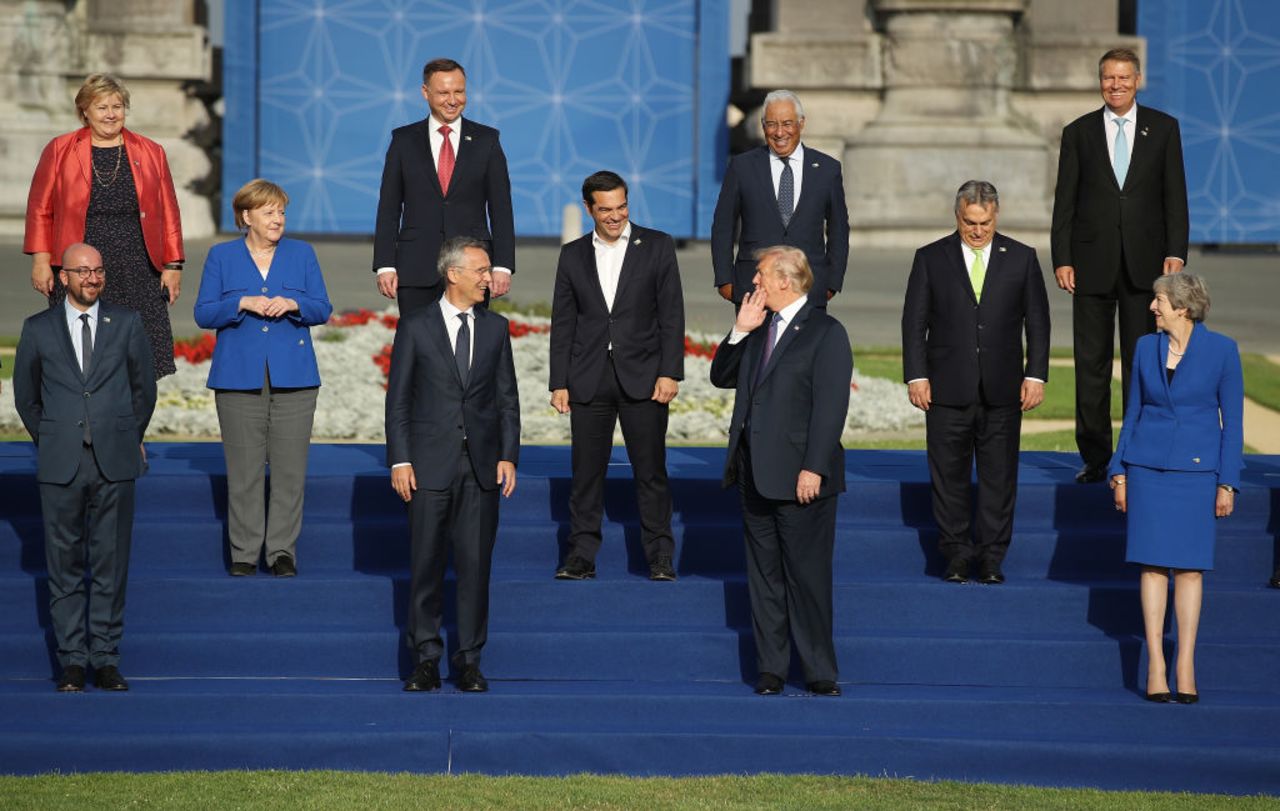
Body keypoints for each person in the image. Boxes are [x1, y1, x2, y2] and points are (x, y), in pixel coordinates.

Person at [12, 242, 157, 692]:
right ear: (63, 277)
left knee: (111, 565)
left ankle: (106, 659)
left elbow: (143, 391)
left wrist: (126, 435)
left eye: (98, 271)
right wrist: (55, 438)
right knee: (65, 566)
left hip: (115, 462)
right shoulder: (37, 329)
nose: (92, 278)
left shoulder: (128, 324)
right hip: (62, 465)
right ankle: (73, 660)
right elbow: (26, 397)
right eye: (83, 271)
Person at [709, 246, 851, 697]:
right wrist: (737, 330)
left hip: (800, 479)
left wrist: (813, 468)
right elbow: (721, 376)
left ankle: (817, 670)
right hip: (754, 473)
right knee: (764, 577)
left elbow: (831, 409)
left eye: (762, 277)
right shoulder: (757, 328)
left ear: (785, 281)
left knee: (806, 577)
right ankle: (771, 667)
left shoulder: (826, 332)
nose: (756, 285)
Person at [386, 236, 520, 693]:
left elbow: (507, 401)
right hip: (426, 466)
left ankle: (469, 660)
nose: (489, 278)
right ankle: (425, 658)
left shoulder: (497, 329)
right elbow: (398, 400)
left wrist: (508, 455)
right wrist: (400, 459)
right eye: (481, 270)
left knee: (474, 567)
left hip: (482, 469)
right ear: (454, 273)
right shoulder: (416, 326)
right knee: (425, 565)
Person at [1051, 48, 1189, 484]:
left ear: (1138, 80)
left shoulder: (1164, 129)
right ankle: (1095, 457)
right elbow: (1065, 202)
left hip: (1146, 267)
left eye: (1123, 78)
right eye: (1109, 78)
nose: (1116, 85)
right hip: (1091, 265)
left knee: (1142, 363)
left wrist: (1176, 252)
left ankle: (1138, 453)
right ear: (1100, 81)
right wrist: (1062, 257)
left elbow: (1175, 197)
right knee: (1090, 366)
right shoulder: (1078, 133)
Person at [902, 181, 1051, 585]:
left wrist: (1035, 375)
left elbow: (1038, 322)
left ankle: (991, 556)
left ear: (996, 216)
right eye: (970, 222)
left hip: (1003, 389)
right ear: (958, 216)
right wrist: (917, 375)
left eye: (985, 222)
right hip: (947, 389)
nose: (978, 230)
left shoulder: (1021, 258)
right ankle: (955, 553)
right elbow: (914, 323)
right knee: (948, 476)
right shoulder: (931, 258)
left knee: (999, 477)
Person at [1110, 272, 1242, 704]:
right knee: (1151, 566)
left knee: (1189, 569)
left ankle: (1185, 661)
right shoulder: (1146, 347)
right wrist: (1120, 470)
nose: (1152, 307)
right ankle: (1156, 663)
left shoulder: (1223, 351)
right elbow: (1132, 412)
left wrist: (1228, 483)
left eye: (1159, 301)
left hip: (1196, 473)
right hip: (1146, 469)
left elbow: (1232, 425)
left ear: (1182, 308)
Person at [548, 171, 685, 581]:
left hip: (644, 377)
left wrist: (669, 372)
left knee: (651, 471)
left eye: (621, 207)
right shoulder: (572, 255)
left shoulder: (657, 246)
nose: (615, 216)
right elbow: (563, 322)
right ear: (588, 208)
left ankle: (659, 555)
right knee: (586, 473)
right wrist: (559, 381)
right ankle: (581, 555)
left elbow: (671, 314)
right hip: (588, 377)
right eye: (605, 209)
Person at [194, 179, 333, 578]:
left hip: (295, 377)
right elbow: (204, 313)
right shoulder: (221, 256)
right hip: (238, 377)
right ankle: (243, 551)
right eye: (269, 212)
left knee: (290, 471)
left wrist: (294, 303)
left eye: (281, 212)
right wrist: (241, 302)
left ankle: (281, 552)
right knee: (244, 471)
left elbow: (322, 306)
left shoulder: (302, 254)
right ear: (246, 216)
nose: (278, 219)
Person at [24, 73, 185, 380]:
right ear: (84, 110)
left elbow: (169, 213)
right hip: (79, 262)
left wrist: (173, 265)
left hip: (138, 265)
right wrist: (42, 262)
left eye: (118, 106)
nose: (111, 114)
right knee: (81, 356)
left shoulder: (151, 152)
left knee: (139, 359)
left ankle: (130, 424)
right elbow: (40, 210)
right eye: (102, 107)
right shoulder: (60, 149)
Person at [373, 58, 516, 316]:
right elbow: (389, 207)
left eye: (459, 91)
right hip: (416, 266)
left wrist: (503, 266)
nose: (452, 100)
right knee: (417, 347)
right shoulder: (403, 141)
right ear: (425, 93)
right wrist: (385, 264)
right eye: (443, 93)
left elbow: (501, 209)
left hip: (471, 267)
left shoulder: (487, 141)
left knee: (468, 348)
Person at [711, 89, 849, 308]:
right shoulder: (742, 167)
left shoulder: (827, 169)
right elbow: (723, 225)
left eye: (787, 123)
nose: (779, 132)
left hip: (809, 286)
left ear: (801, 124)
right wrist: (725, 279)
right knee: (757, 344)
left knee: (806, 344)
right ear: (763, 126)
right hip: (753, 287)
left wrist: (831, 282)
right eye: (772, 124)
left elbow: (839, 229)